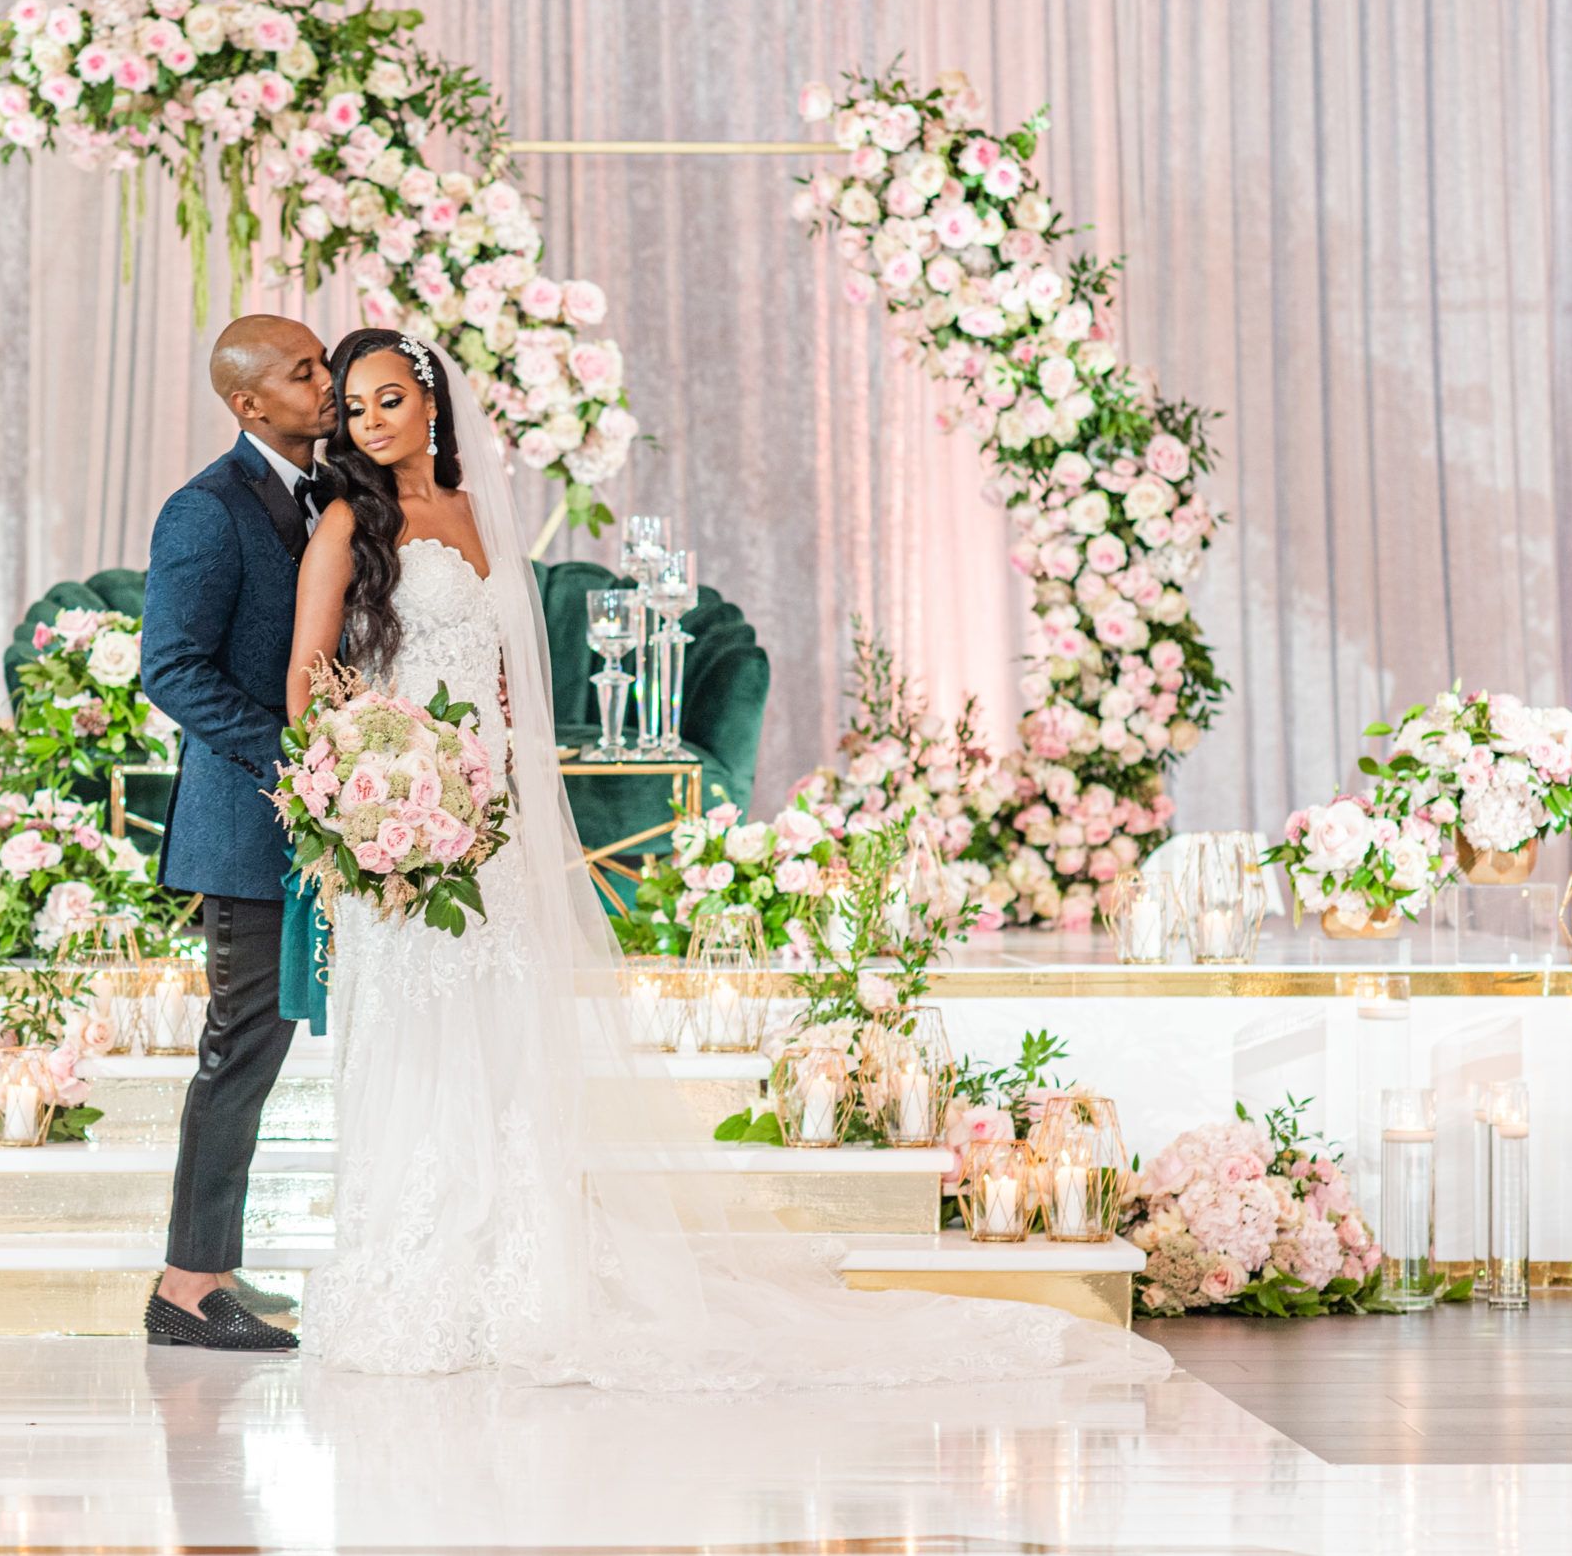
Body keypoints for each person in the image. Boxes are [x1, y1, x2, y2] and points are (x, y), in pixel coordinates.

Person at [284, 328, 1170, 1389]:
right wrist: (365, 797)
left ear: (432, 403)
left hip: (492, 823)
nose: (373, 422)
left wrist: (495, 786)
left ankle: (518, 1272)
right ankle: (410, 1273)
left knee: (507, 1039)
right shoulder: (348, 523)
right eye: (356, 407)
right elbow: (308, 681)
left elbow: (512, 681)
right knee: (417, 1041)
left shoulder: (481, 514)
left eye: (390, 398)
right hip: (400, 828)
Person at [137, 313, 334, 1352]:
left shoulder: (330, 494)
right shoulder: (205, 508)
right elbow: (169, 667)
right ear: (249, 403)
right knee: (241, 1051)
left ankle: (210, 1264)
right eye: (304, 372)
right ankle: (187, 1283)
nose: (327, 381)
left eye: (324, 362)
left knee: (264, 1048)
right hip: (251, 830)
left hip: (340, 821)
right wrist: (298, 760)